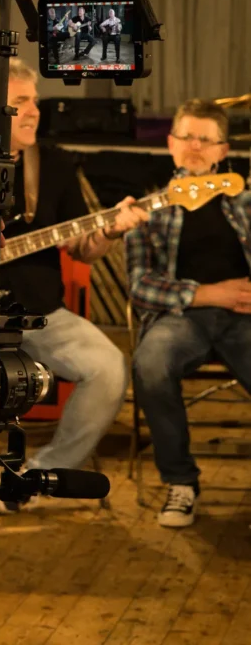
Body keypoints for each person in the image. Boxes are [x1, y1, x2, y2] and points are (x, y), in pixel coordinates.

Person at [0, 59, 147, 526]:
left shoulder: (53, 162)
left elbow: (83, 247)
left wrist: (112, 230)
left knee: (108, 367)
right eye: (22, 102)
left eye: (35, 100)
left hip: (40, 316)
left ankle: (34, 477)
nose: (36, 111)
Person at [126, 99, 251, 528]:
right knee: (151, 365)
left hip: (246, 317)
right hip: (182, 318)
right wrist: (207, 294)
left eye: (205, 139)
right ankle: (180, 482)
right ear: (170, 143)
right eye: (186, 136)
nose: (195, 146)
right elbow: (140, 285)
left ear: (222, 150)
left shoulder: (247, 203)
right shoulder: (147, 209)